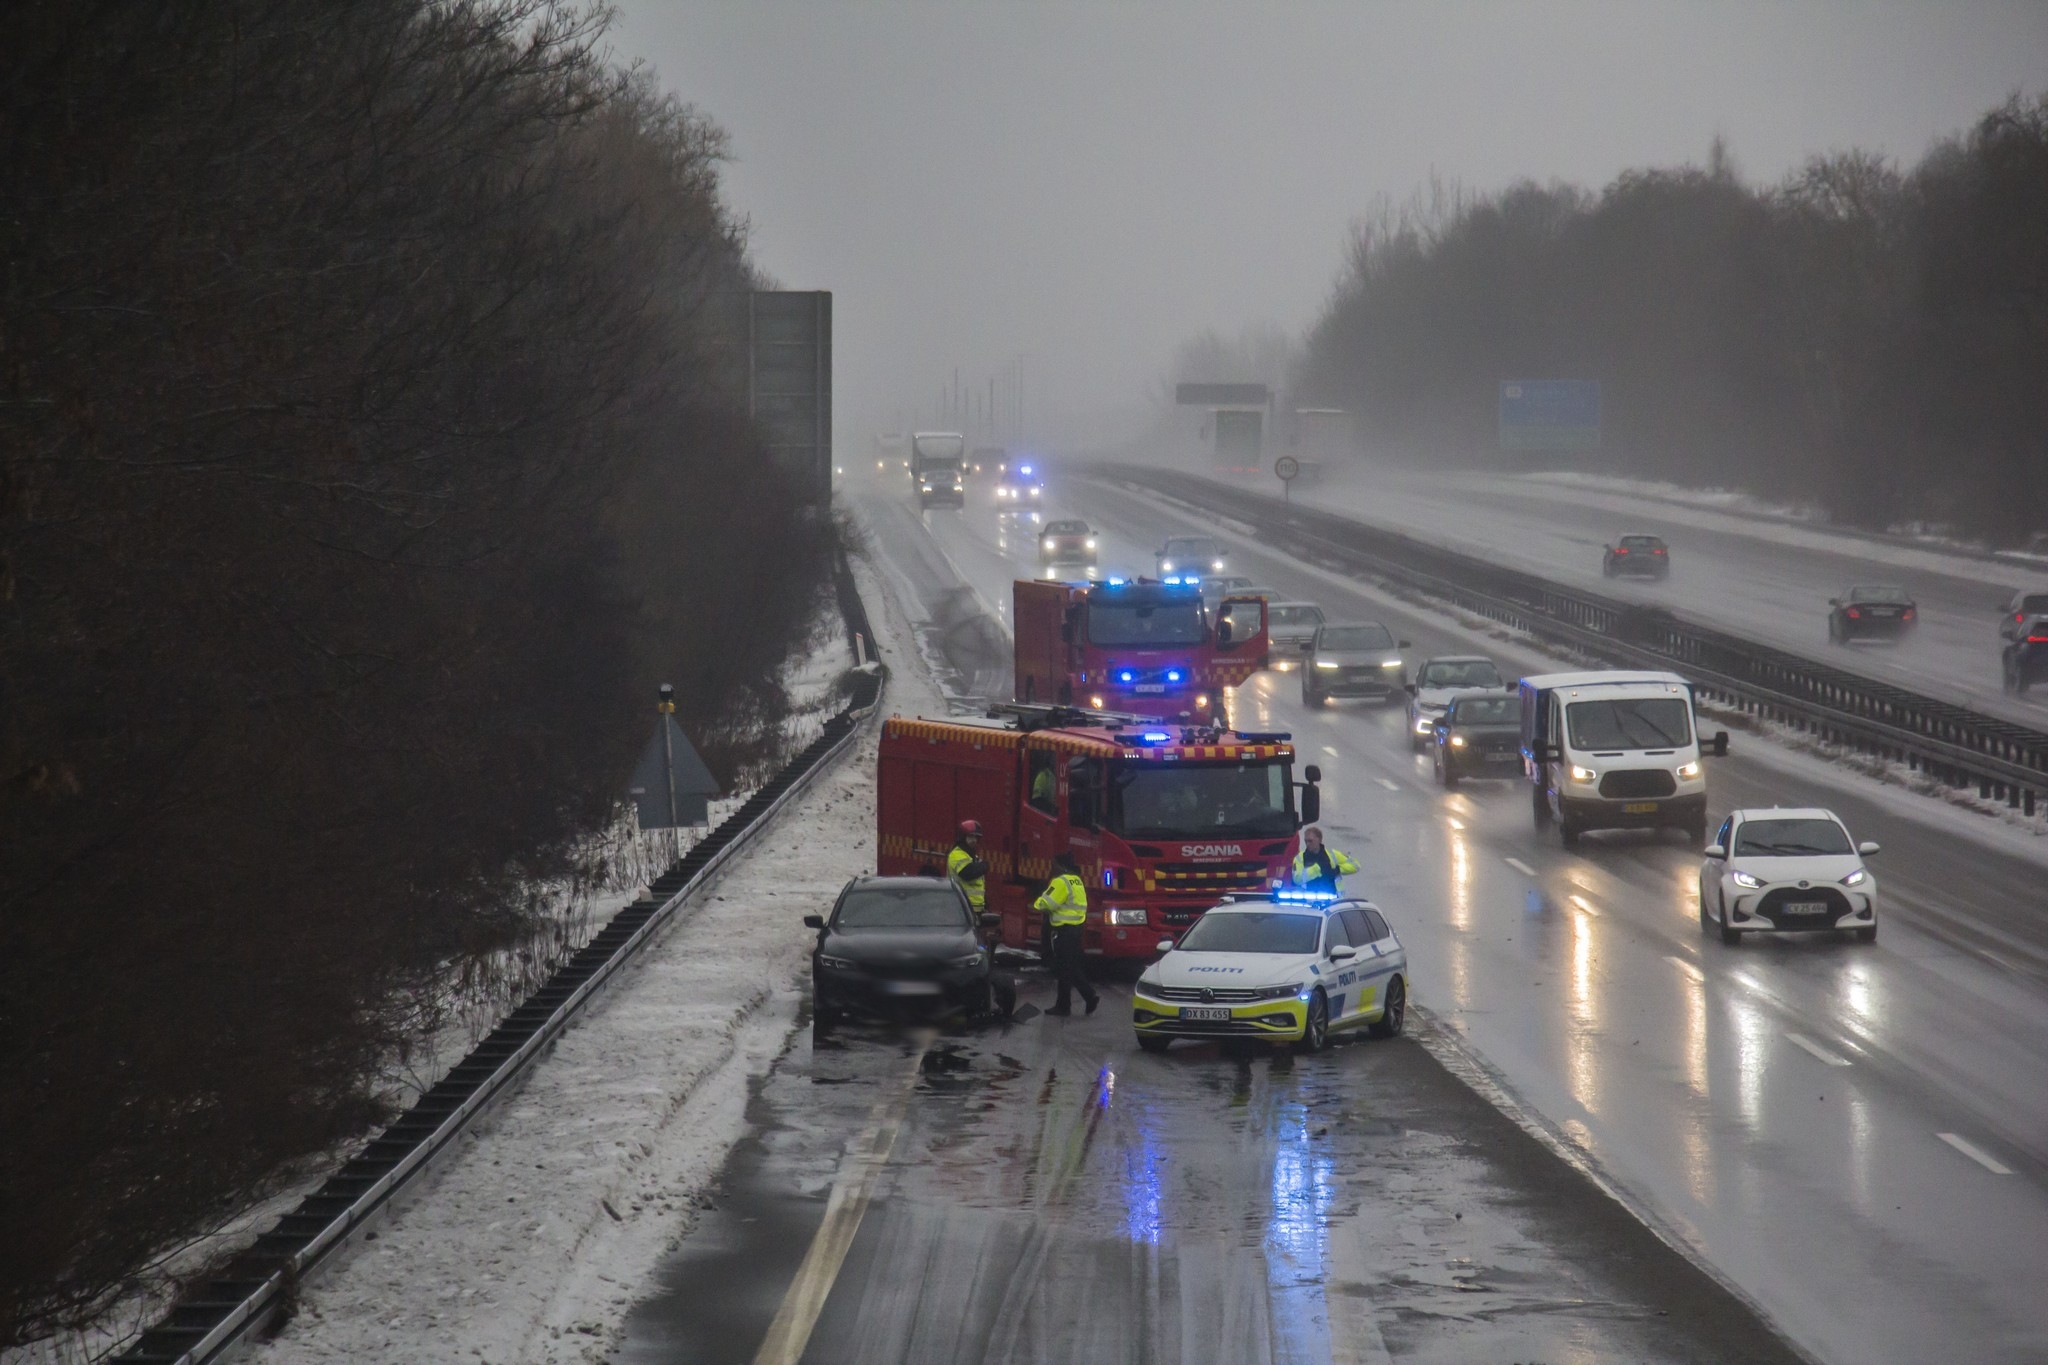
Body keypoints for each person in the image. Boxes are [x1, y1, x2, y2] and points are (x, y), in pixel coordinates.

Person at [1034, 851, 1098, 1016]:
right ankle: (1077, 1000)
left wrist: (1038, 900)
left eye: (1054, 864)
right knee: (1069, 966)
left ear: (1060, 865)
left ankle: (1072, 1003)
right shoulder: (1076, 880)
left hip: (1064, 930)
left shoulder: (1060, 881)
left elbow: (1046, 904)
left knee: (1064, 967)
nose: (1052, 867)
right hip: (1076, 928)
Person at [1290, 826, 1359, 896]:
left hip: (1334, 898)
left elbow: (1356, 865)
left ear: (1319, 840)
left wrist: (1338, 869)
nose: (1307, 844)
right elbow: (1297, 879)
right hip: (1309, 898)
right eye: (1306, 841)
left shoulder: (1332, 854)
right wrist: (1317, 869)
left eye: (1310, 841)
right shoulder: (1300, 858)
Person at [947, 820, 987, 911]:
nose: (974, 840)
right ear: (962, 837)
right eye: (970, 837)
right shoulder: (956, 854)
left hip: (974, 909)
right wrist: (984, 866)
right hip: (961, 908)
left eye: (976, 837)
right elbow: (967, 873)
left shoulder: (972, 856)